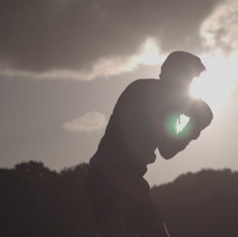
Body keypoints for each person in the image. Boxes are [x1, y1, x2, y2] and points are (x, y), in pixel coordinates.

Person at [85, 51, 213, 237]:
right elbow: (166, 147)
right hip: (106, 174)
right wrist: (192, 123)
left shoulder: (169, 103)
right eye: (188, 78)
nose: (189, 85)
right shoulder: (144, 91)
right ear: (173, 73)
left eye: (192, 80)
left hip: (131, 178)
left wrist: (193, 129)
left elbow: (167, 149)